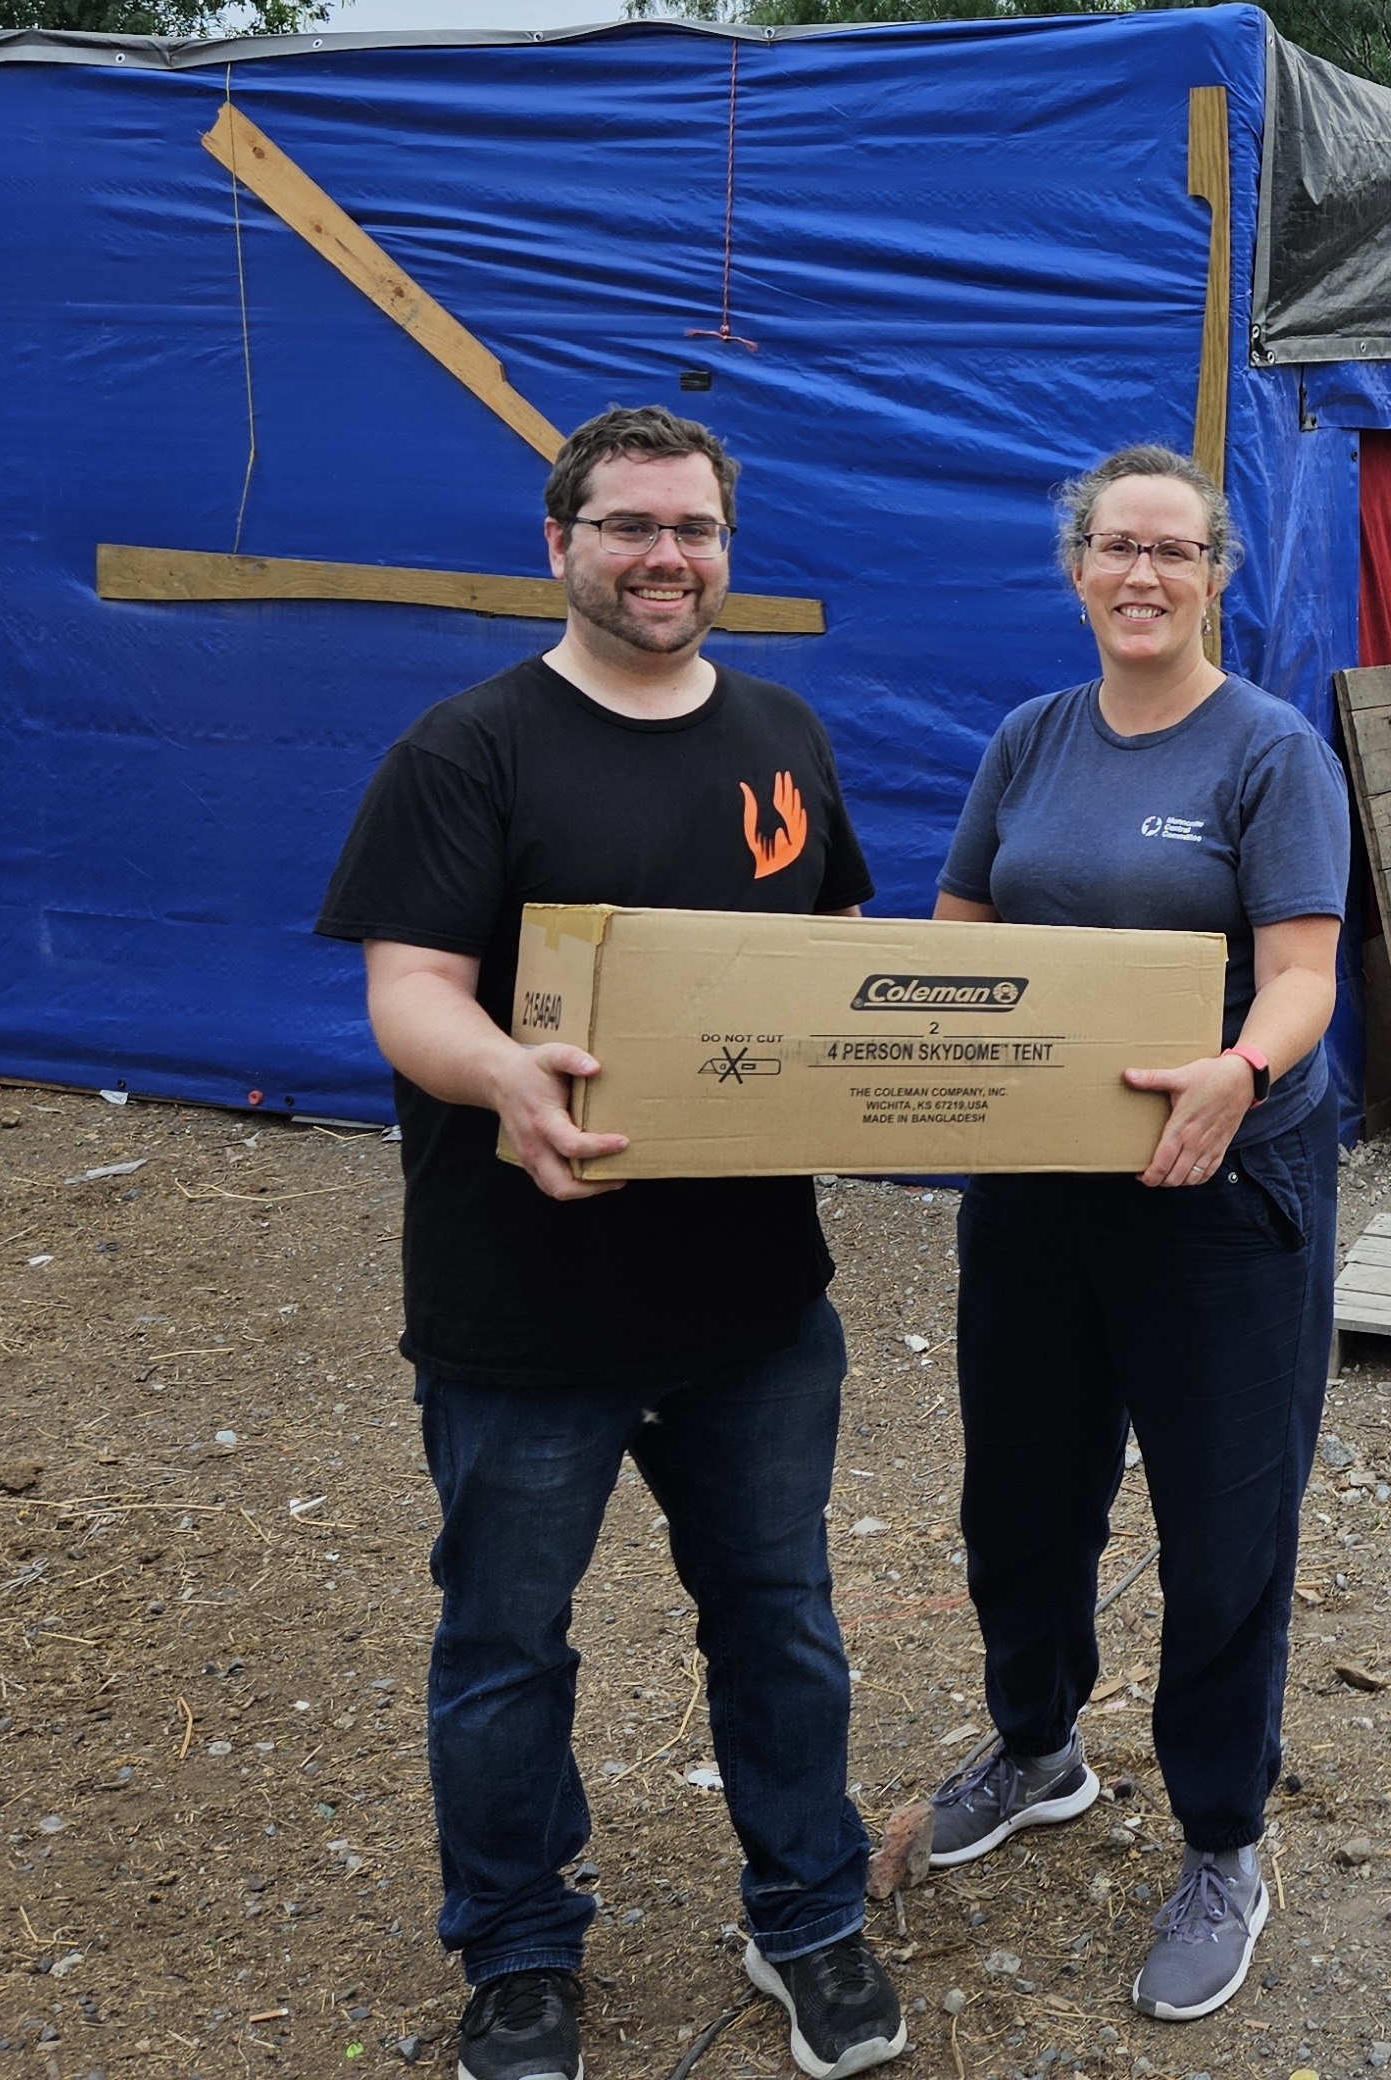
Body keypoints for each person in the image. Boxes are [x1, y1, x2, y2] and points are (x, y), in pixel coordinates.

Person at [316, 407, 910, 2080]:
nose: (669, 558)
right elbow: (409, 995)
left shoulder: (784, 732)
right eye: (632, 526)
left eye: (698, 529)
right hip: (525, 1301)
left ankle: (808, 1916)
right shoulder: (467, 752)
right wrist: (503, 1071)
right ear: (559, 543)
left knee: (781, 1618)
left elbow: (834, 956)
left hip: (753, 1305)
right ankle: (515, 1955)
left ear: (729, 548)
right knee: (507, 1647)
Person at [916, 445, 1349, 2026]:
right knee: (1021, 1498)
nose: (1144, 577)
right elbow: (958, 939)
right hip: (1034, 1190)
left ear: (1218, 574)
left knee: (1226, 1529)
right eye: (1118, 550)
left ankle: (1225, 1839)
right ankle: (1036, 1749)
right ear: (1077, 569)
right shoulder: (1031, 741)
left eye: (1176, 551)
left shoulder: (1270, 752)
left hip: (1219, 1199)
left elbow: (1302, 971)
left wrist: (1237, 1072)